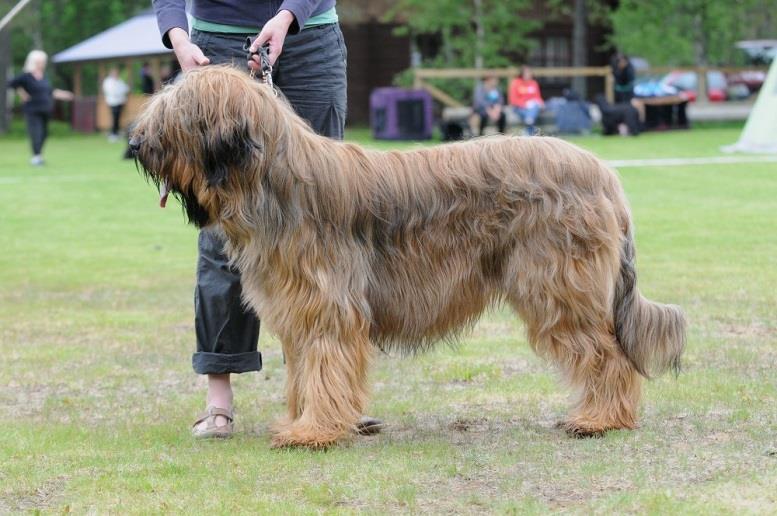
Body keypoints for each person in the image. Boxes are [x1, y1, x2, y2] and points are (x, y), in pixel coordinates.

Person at [152, 0, 383, 438]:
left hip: (308, 36)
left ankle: (324, 399)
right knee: (223, 234)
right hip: (214, 46)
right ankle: (218, 399)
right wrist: (177, 37)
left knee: (321, 232)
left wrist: (288, 15)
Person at [7, 50, 74, 166]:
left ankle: (39, 155)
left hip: (45, 109)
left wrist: (64, 94)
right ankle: (36, 157)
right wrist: (22, 93)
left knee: (44, 133)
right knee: (36, 133)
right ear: (33, 62)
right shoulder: (26, 76)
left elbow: (50, 91)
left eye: (43, 61)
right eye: (40, 61)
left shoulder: (44, 76)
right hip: (32, 110)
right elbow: (11, 84)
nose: (42, 64)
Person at [508, 66, 544, 136]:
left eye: (529, 73)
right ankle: (531, 129)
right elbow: (513, 100)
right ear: (522, 73)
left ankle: (529, 123)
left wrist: (541, 103)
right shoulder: (516, 83)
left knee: (534, 106)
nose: (528, 75)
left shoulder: (534, 83)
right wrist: (525, 104)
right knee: (531, 112)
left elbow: (538, 97)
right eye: (526, 73)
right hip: (519, 107)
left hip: (533, 107)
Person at [102, 67, 130, 142]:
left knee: (118, 118)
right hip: (112, 102)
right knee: (114, 118)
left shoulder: (119, 81)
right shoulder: (108, 81)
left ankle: (116, 132)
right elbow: (111, 91)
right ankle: (113, 133)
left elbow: (125, 89)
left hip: (120, 102)